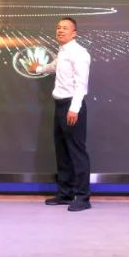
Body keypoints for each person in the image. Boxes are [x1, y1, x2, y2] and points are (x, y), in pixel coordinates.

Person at [27, 17, 92, 212]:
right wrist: (38, 69)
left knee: (77, 153)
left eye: (65, 28)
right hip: (60, 105)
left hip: (72, 107)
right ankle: (65, 194)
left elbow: (81, 84)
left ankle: (83, 198)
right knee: (62, 152)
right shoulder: (63, 51)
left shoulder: (80, 53)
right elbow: (54, 66)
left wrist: (74, 108)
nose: (60, 30)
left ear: (74, 33)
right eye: (58, 27)